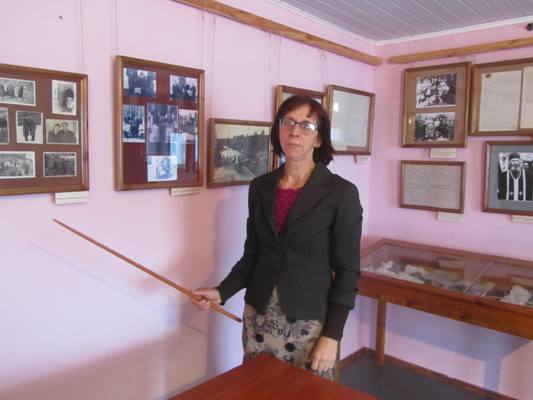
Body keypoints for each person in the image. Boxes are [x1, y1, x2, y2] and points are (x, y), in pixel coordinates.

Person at [192, 96, 363, 380]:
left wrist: (332, 335)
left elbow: (348, 272)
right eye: (288, 122)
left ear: (319, 139)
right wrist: (222, 292)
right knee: (258, 389)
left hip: (309, 322)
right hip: (259, 316)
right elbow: (253, 255)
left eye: (306, 125)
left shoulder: (341, 193)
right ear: (278, 130)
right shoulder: (260, 187)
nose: (295, 132)